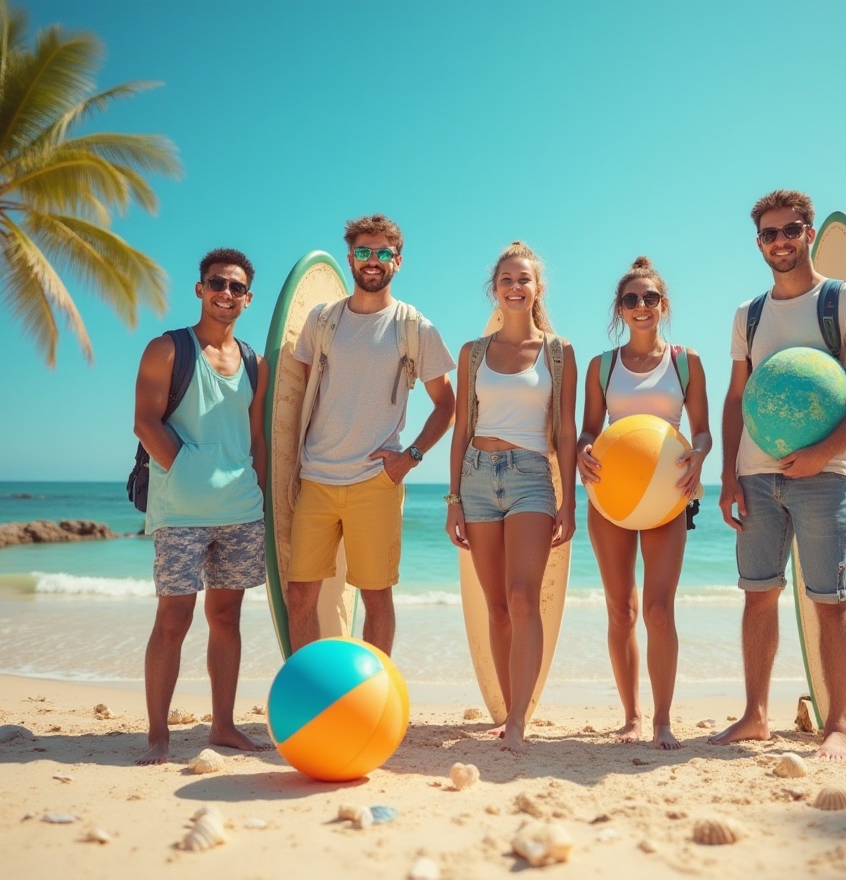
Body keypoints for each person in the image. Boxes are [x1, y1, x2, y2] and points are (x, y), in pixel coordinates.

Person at [711, 189, 846, 760]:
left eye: (790, 230)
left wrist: (823, 452)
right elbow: (737, 396)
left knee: (831, 599)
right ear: (758, 243)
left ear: (809, 232)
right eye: (769, 234)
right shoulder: (750, 314)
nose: (780, 241)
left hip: (826, 475)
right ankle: (755, 716)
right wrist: (726, 475)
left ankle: (838, 723)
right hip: (755, 476)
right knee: (757, 594)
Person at [286, 214, 455, 655]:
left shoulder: (414, 326)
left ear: (398, 261)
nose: (373, 260)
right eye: (364, 252)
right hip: (316, 479)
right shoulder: (322, 320)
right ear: (350, 258)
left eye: (383, 252)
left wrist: (411, 455)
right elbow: (294, 396)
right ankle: (308, 696)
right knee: (299, 596)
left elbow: (448, 404)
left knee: (376, 599)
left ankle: (373, 698)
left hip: (374, 483)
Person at [133, 247, 271, 766]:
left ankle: (224, 725)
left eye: (237, 288)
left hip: (241, 510)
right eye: (218, 283)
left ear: (248, 298)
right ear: (200, 288)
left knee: (227, 618)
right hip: (181, 512)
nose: (226, 294)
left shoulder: (255, 362)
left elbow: (255, 437)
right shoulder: (167, 349)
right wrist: (189, 472)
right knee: (173, 618)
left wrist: (256, 488)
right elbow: (145, 422)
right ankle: (158, 735)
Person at [444, 242, 578, 755]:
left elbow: (564, 431)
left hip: (530, 477)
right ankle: (505, 710)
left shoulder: (558, 351)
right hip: (477, 475)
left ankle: (520, 718)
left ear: (536, 288)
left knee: (524, 598)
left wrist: (569, 501)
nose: (515, 287)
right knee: (496, 607)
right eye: (506, 279)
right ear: (494, 290)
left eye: (523, 279)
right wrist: (453, 498)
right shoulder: (473, 353)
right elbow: (460, 430)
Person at [577, 257, 711, 750]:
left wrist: (698, 456)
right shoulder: (602, 365)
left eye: (649, 298)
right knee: (621, 609)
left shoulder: (685, 361)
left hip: (668, 500)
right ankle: (631, 717)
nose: (641, 306)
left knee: (658, 609)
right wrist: (581, 449)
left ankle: (662, 721)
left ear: (663, 304)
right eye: (631, 299)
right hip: (609, 496)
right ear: (620, 307)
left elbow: (703, 431)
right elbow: (589, 429)